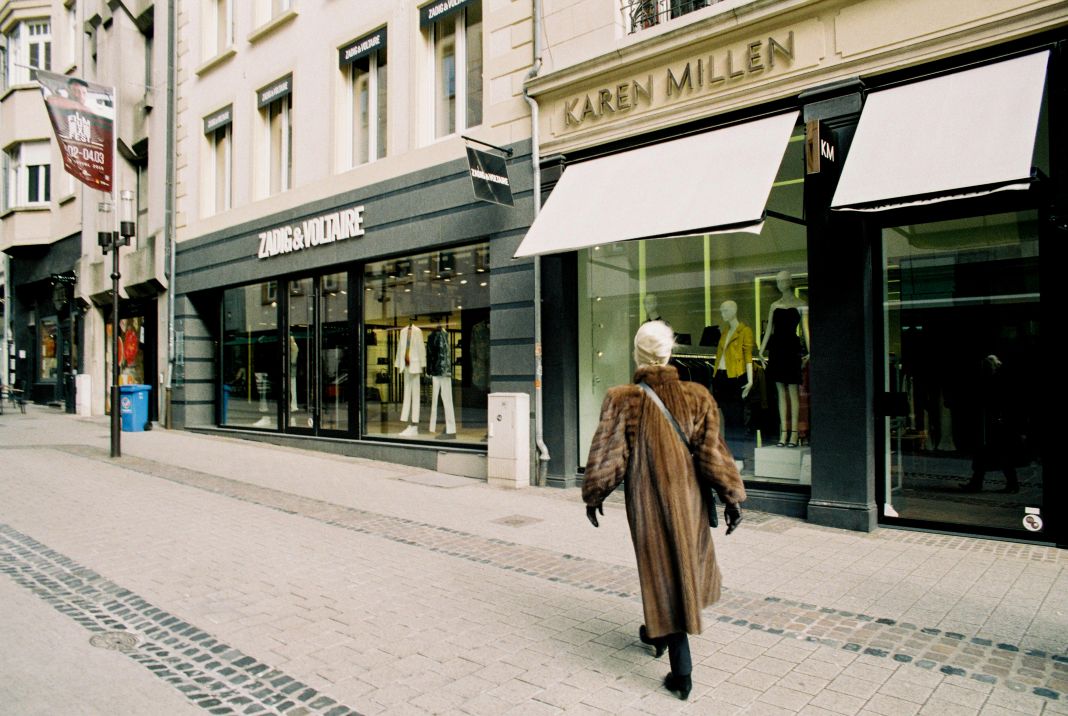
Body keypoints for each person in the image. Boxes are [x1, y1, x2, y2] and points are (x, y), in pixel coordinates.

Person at [583, 320, 746, 701]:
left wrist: (594, 494)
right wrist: (732, 497)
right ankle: (656, 633)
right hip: (688, 498)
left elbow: (610, 457)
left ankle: (681, 669)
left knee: (661, 568)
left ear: (637, 354)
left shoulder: (623, 398)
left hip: (648, 500)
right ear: (670, 352)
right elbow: (713, 453)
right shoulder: (697, 395)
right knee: (678, 564)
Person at [758, 271, 809, 447]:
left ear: (790, 281)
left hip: (792, 348)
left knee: (793, 391)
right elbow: (770, 330)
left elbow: (805, 329)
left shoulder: (801, 304)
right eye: (778, 281)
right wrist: (761, 351)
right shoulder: (774, 305)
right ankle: (783, 433)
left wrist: (810, 351)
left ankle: (794, 433)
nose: (780, 284)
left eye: (783, 281)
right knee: (780, 392)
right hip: (777, 349)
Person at [960, 355, 1023, 493]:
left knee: (1001, 456)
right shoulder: (991, 380)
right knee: (987, 455)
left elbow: (1002, 403)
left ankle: (1011, 484)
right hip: (992, 425)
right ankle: (977, 483)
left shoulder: (998, 381)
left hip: (998, 425)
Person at [713, 301, 754, 438]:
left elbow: (748, 356)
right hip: (721, 376)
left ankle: (739, 456)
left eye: (725, 310)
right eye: (721, 310)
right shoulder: (725, 332)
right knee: (727, 418)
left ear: (734, 311)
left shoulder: (745, 331)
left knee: (737, 418)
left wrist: (750, 380)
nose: (722, 313)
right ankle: (731, 454)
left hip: (736, 377)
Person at [395, 320, 425, 436]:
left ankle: (414, 423)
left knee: (416, 395)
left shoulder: (418, 331)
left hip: (415, 365)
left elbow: (421, 348)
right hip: (406, 366)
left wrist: (423, 364)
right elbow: (400, 348)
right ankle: (407, 421)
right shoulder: (402, 331)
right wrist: (398, 363)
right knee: (406, 394)